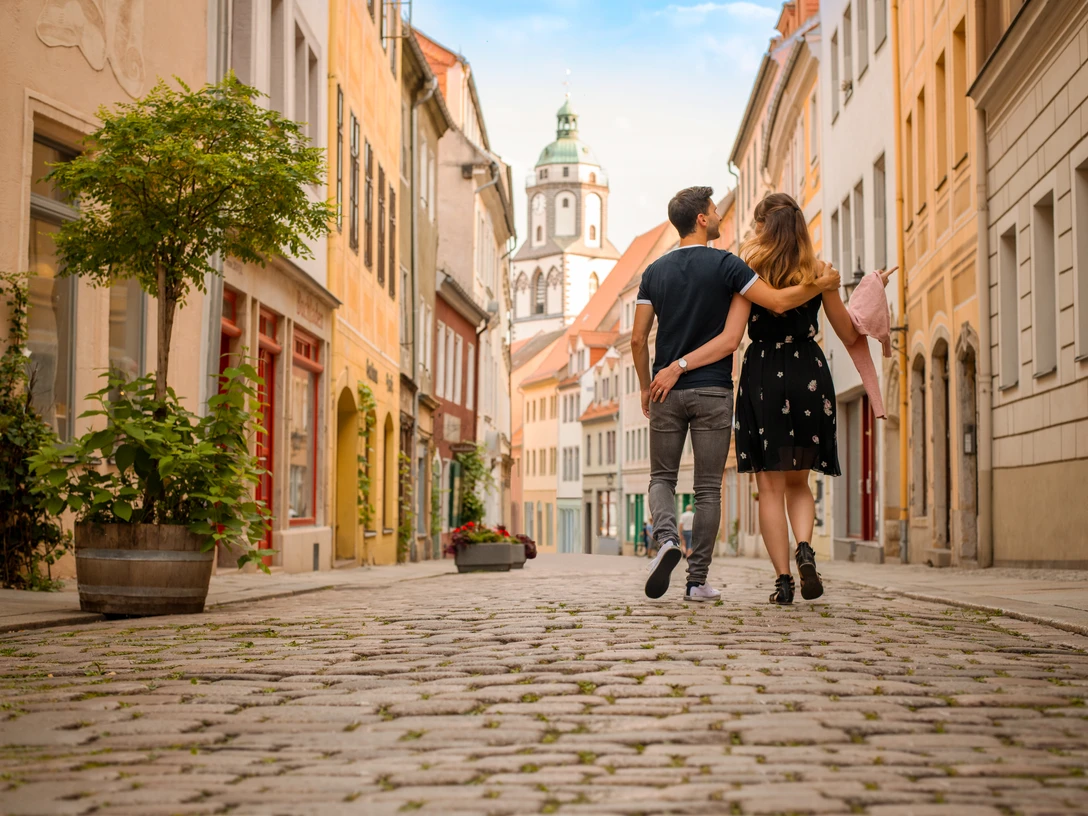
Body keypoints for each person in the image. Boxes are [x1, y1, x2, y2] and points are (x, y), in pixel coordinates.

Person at [649, 192, 892, 605]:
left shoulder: (748, 270)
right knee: (800, 483)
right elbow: (849, 333)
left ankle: (783, 580)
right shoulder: (818, 272)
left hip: (763, 375)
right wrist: (873, 288)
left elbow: (733, 335)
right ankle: (805, 549)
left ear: (762, 227)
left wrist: (680, 361)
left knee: (771, 488)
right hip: (808, 375)